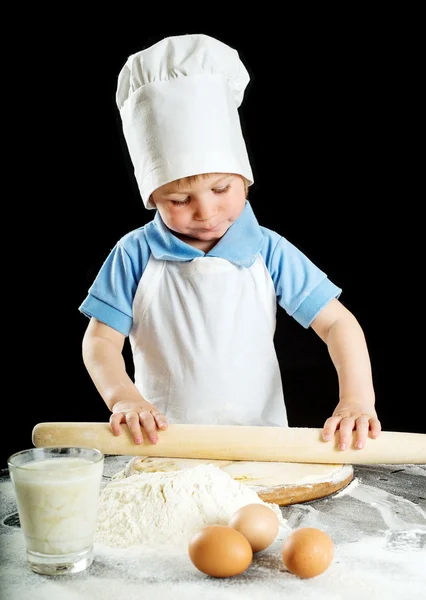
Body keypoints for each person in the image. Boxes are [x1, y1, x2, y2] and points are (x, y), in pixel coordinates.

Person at [79, 33, 381, 452]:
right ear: (152, 197)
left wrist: (356, 399)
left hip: (262, 444)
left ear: (244, 178)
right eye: (180, 200)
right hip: (164, 446)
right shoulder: (134, 254)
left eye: (221, 189)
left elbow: (337, 323)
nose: (205, 212)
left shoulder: (268, 250)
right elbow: (100, 341)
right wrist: (123, 397)